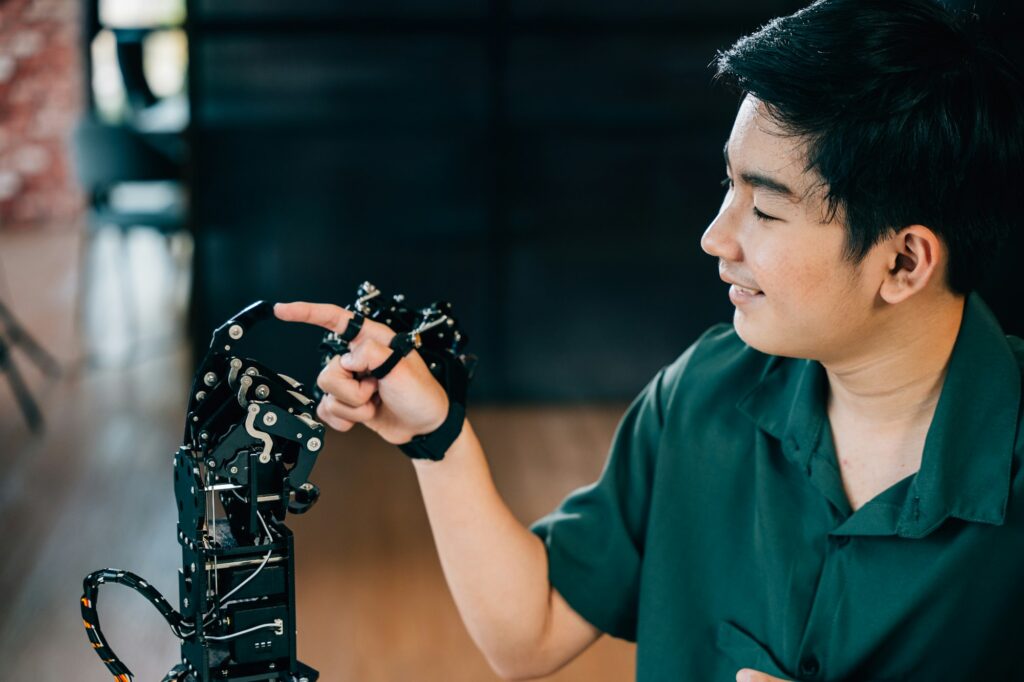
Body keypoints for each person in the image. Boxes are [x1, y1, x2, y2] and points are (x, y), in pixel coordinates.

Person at [275, 0, 1024, 678]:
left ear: (902, 262)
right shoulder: (705, 393)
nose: (714, 237)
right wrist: (435, 438)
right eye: (728, 187)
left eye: (764, 211)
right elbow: (528, 631)